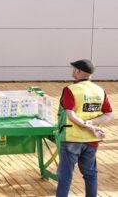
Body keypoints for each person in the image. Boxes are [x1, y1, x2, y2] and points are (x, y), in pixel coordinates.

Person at [56, 59, 114, 197]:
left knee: (65, 176)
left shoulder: (71, 90)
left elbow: (70, 115)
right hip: (91, 140)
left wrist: (86, 125)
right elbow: (109, 114)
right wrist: (91, 124)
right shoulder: (100, 90)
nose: (72, 70)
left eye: (74, 68)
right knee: (90, 175)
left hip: (72, 138)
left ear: (78, 71)